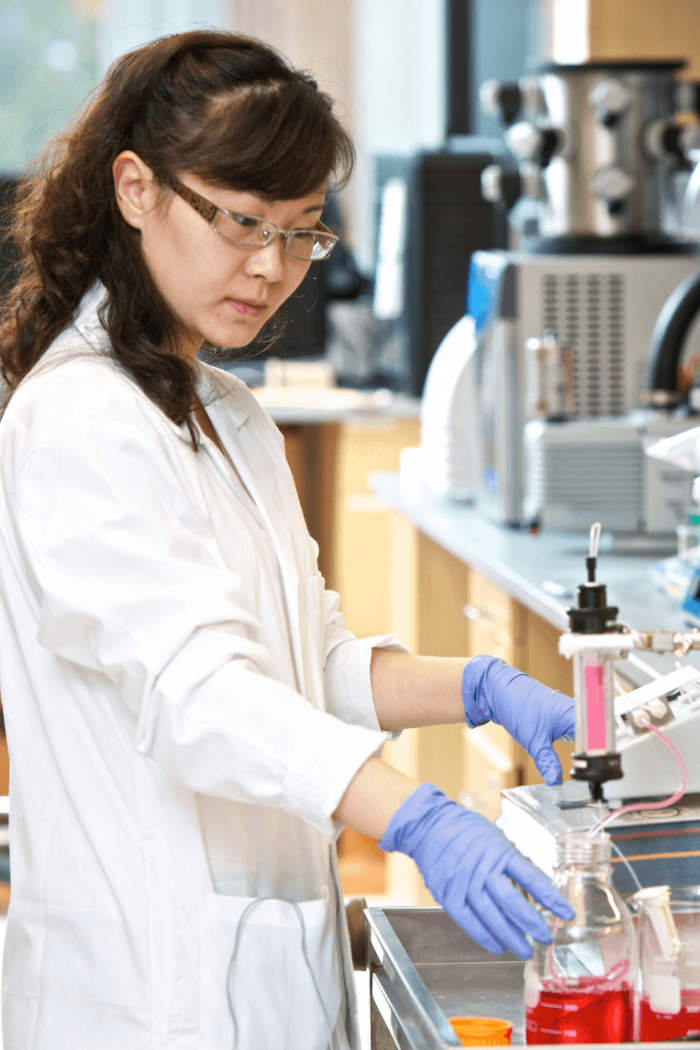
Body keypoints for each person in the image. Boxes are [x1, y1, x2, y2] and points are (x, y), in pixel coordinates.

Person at [0, 30, 576, 1050]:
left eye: (303, 233)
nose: (271, 268)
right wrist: (414, 817)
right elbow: (200, 694)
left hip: (266, 976)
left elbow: (307, 668)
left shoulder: (225, 414)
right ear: (136, 188)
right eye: (243, 222)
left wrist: (478, 687)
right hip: (146, 995)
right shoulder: (80, 421)